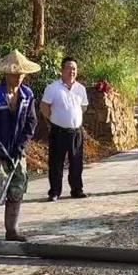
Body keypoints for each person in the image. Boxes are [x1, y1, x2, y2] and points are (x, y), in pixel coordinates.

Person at [0, 49, 39, 241]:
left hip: (17, 152)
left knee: (17, 189)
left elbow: (31, 123)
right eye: (15, 74)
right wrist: (3, 152)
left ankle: (11, 230)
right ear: (6, 74)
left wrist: (21, 147)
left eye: (22, 74)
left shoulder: (27, 95)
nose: (19, 78)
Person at [41, 56, 89, 201]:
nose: (71, 71)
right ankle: (55, 191)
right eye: (68, 68)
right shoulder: (52, 88)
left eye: (74, 68)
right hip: (58, 131)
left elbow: (83, 107)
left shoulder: (81, 89)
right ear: (62, 70)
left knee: (77, 162)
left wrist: (72, 118)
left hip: (76, 132)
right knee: (56, 163)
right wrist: (55, 119)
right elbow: (44, 107)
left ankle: (77, 189)